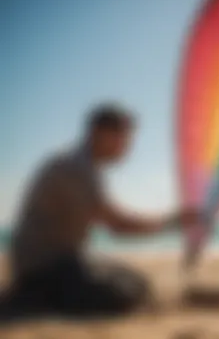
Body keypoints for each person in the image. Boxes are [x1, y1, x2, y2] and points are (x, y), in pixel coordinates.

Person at [0, 104, 196, 320]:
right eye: (123, 138)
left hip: (66, 261)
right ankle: (36, 299)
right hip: (43, 270)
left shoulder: (85, 166)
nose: (127, 147)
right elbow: (118, 225)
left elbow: (113, 220)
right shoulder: (74, 167)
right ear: (99, 134)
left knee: (137, 282)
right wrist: (172, 222)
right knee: (120, 296)